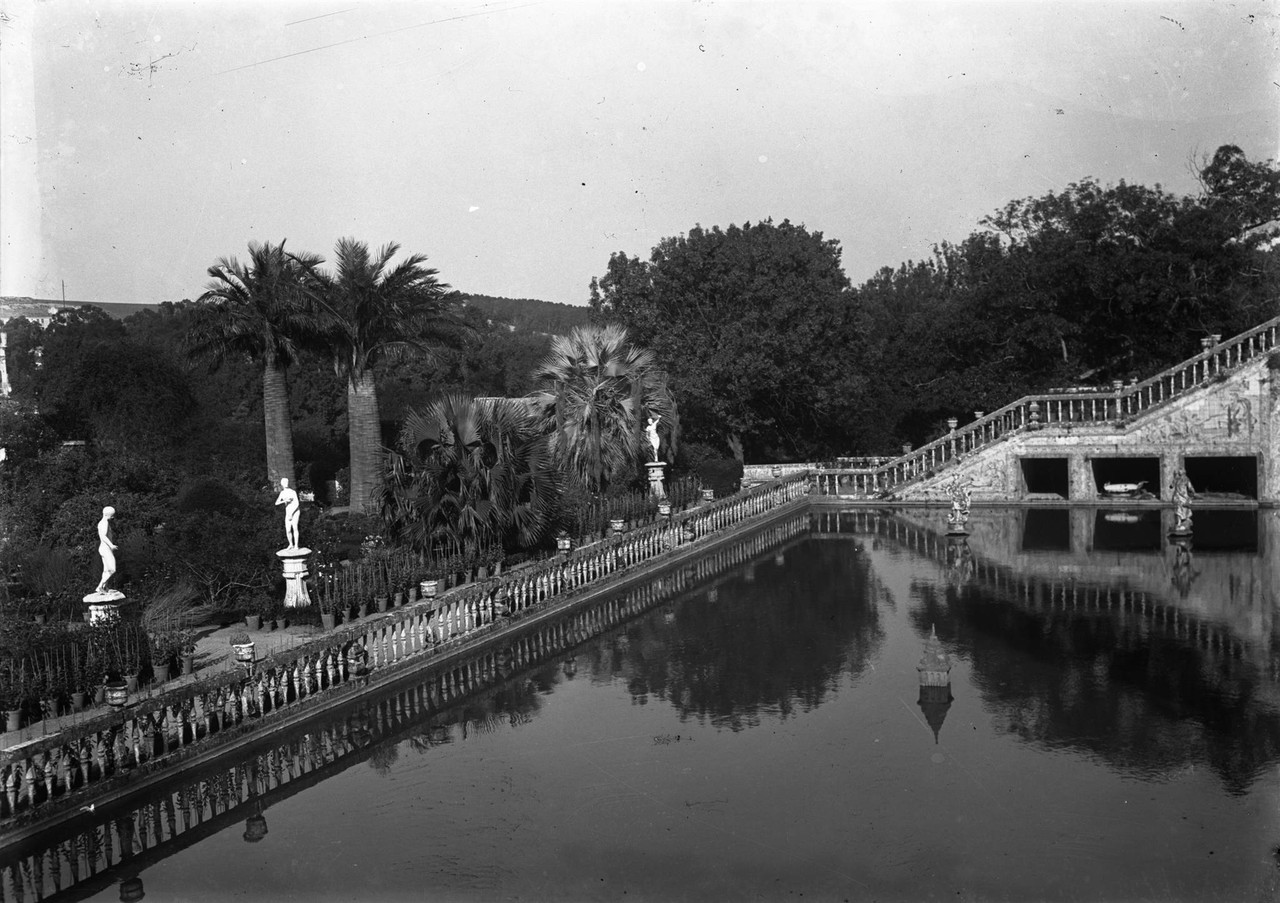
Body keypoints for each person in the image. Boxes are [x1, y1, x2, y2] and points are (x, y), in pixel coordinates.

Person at [94, 507, 117, 594]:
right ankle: (100, 587)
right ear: (107, 514)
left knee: (106, 570)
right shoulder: (104, 523)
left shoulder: (103, 523)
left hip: (105, 548)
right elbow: (103, 536)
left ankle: (104, 587)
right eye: (112, 515)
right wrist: (111, 545)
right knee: (112, 569)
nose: (113, 517)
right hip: (105, 548)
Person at [275, 477, 301, 549]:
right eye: (284, 482)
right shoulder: (282, 493)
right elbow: (276, 503)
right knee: (288, 530)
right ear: (282, 484)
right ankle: (291, 544)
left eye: (286, 482)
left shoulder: (292, 492)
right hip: (288, 512)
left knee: (295, 527)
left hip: (295, 511)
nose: (285, 483)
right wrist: (285, 501)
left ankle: (296, 545)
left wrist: (291, 514)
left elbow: (297, 503)